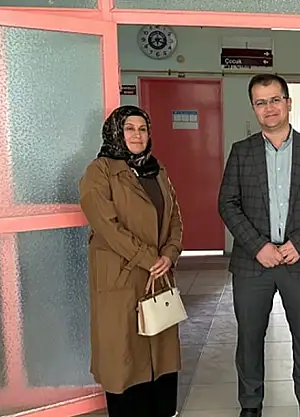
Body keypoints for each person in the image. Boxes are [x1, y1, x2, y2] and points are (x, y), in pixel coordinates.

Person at [218, 74, 300, 417]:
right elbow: (227, 203)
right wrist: (258, 246)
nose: (269, 108)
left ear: (288, 103)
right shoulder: (241, 152)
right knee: (249, 338)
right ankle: (250, 405)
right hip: (252, 263)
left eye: (275, 100)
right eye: (261, 102)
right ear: (253, 108)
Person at [79, 105, 184, 417]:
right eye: (129, 129)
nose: (137, 135)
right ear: (115, 132)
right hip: (121, 277)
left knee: (160, 349)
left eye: (142, 129)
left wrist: (170, 253)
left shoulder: (156, 169)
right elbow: (106, 224)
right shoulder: (100, 171)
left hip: (157, 274)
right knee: (123, 350)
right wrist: (147, 257)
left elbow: (175, 217)